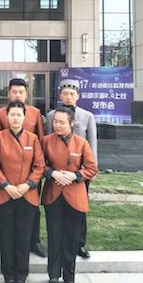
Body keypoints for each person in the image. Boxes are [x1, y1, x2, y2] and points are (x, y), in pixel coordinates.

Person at [0, 101, 45, 283]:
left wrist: (27, 185)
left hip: (26, 194)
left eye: (19, 115)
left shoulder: (33, 138)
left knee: (24, 236)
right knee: (6, 236)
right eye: (12, 114)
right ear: (7, 116)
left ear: (24, 117)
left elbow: (39, 166)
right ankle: (8, 274)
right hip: (5, 193)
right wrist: (6, 186)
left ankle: (21, 274)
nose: (15, 118)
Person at [41, 107, 97, 283]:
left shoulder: (81, 143)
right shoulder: (46, 141)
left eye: (62, 122)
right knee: (54, 236)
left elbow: (92, 168)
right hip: (53, 194)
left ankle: (69, 276)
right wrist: (52, 173)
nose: (57, 125)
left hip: (75, 195)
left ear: (72, 123)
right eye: (55, 122)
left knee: (71, 238)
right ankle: (53, 275)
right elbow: (39, 164)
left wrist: (75, 176)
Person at [45, 79, 97, 259]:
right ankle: (58, 244)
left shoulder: (87, 116)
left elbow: (92, 143)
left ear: (77, 96)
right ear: (60, 95)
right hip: (57, 171)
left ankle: (79, 243)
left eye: (72, 94)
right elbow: (48, 140)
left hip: (79, 170)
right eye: (65, 93)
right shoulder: (51, 116)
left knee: (79, 208)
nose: (68, 97)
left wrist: (87, 172)